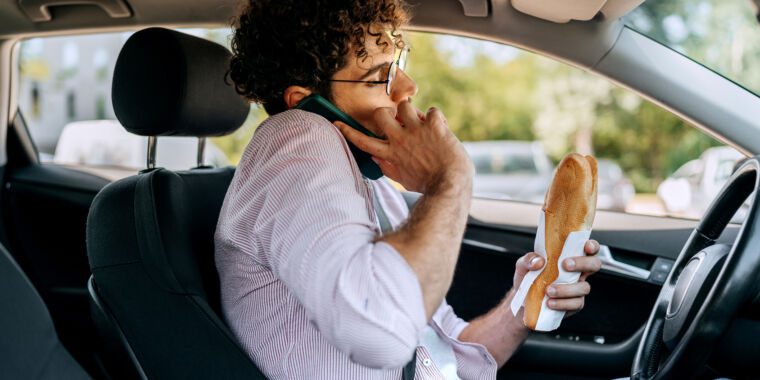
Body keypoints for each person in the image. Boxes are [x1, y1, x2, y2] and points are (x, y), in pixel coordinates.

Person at [215, 1, 602, 378]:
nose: (407, 87)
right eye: (378, 77)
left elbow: (443, 344)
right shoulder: (297, 135)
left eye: (397, 66)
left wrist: (526, 302)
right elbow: (380, 334)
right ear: (304, 102)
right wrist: (449, 179)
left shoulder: (373, 184)